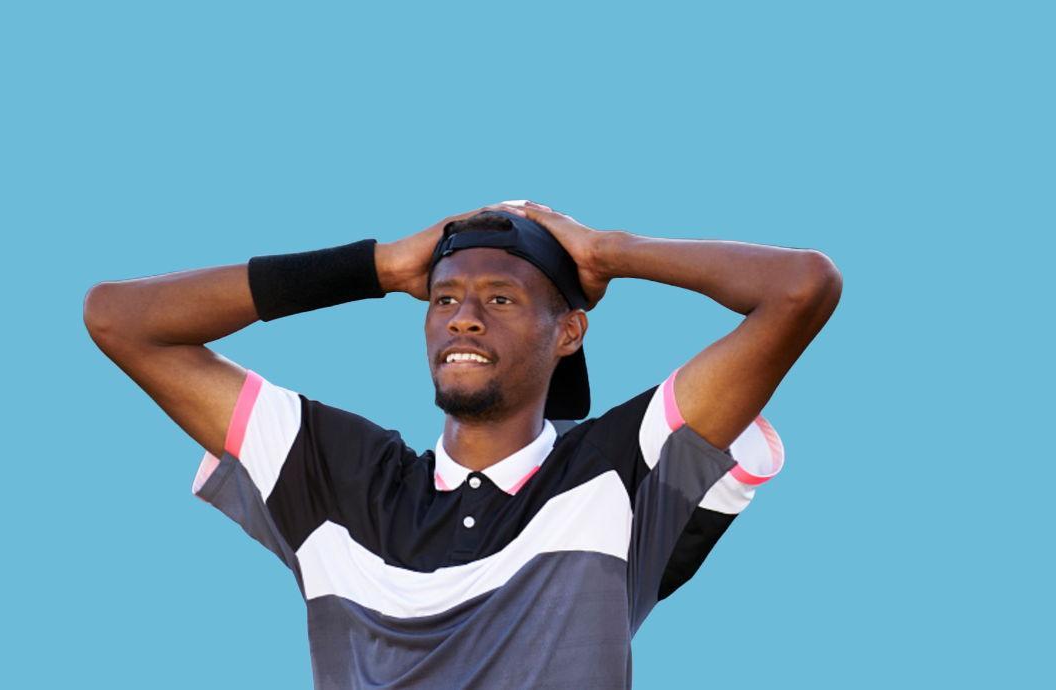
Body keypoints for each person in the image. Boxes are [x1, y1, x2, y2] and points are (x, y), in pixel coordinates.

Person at [83, 200, 842, 689]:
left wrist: (609, 252)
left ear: (569, 332)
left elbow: (800, 289)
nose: (464, 317)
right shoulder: (330, 471)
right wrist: (375, 266)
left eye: (502, 298)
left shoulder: (621, 470)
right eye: (445, 297)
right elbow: (120, 319)